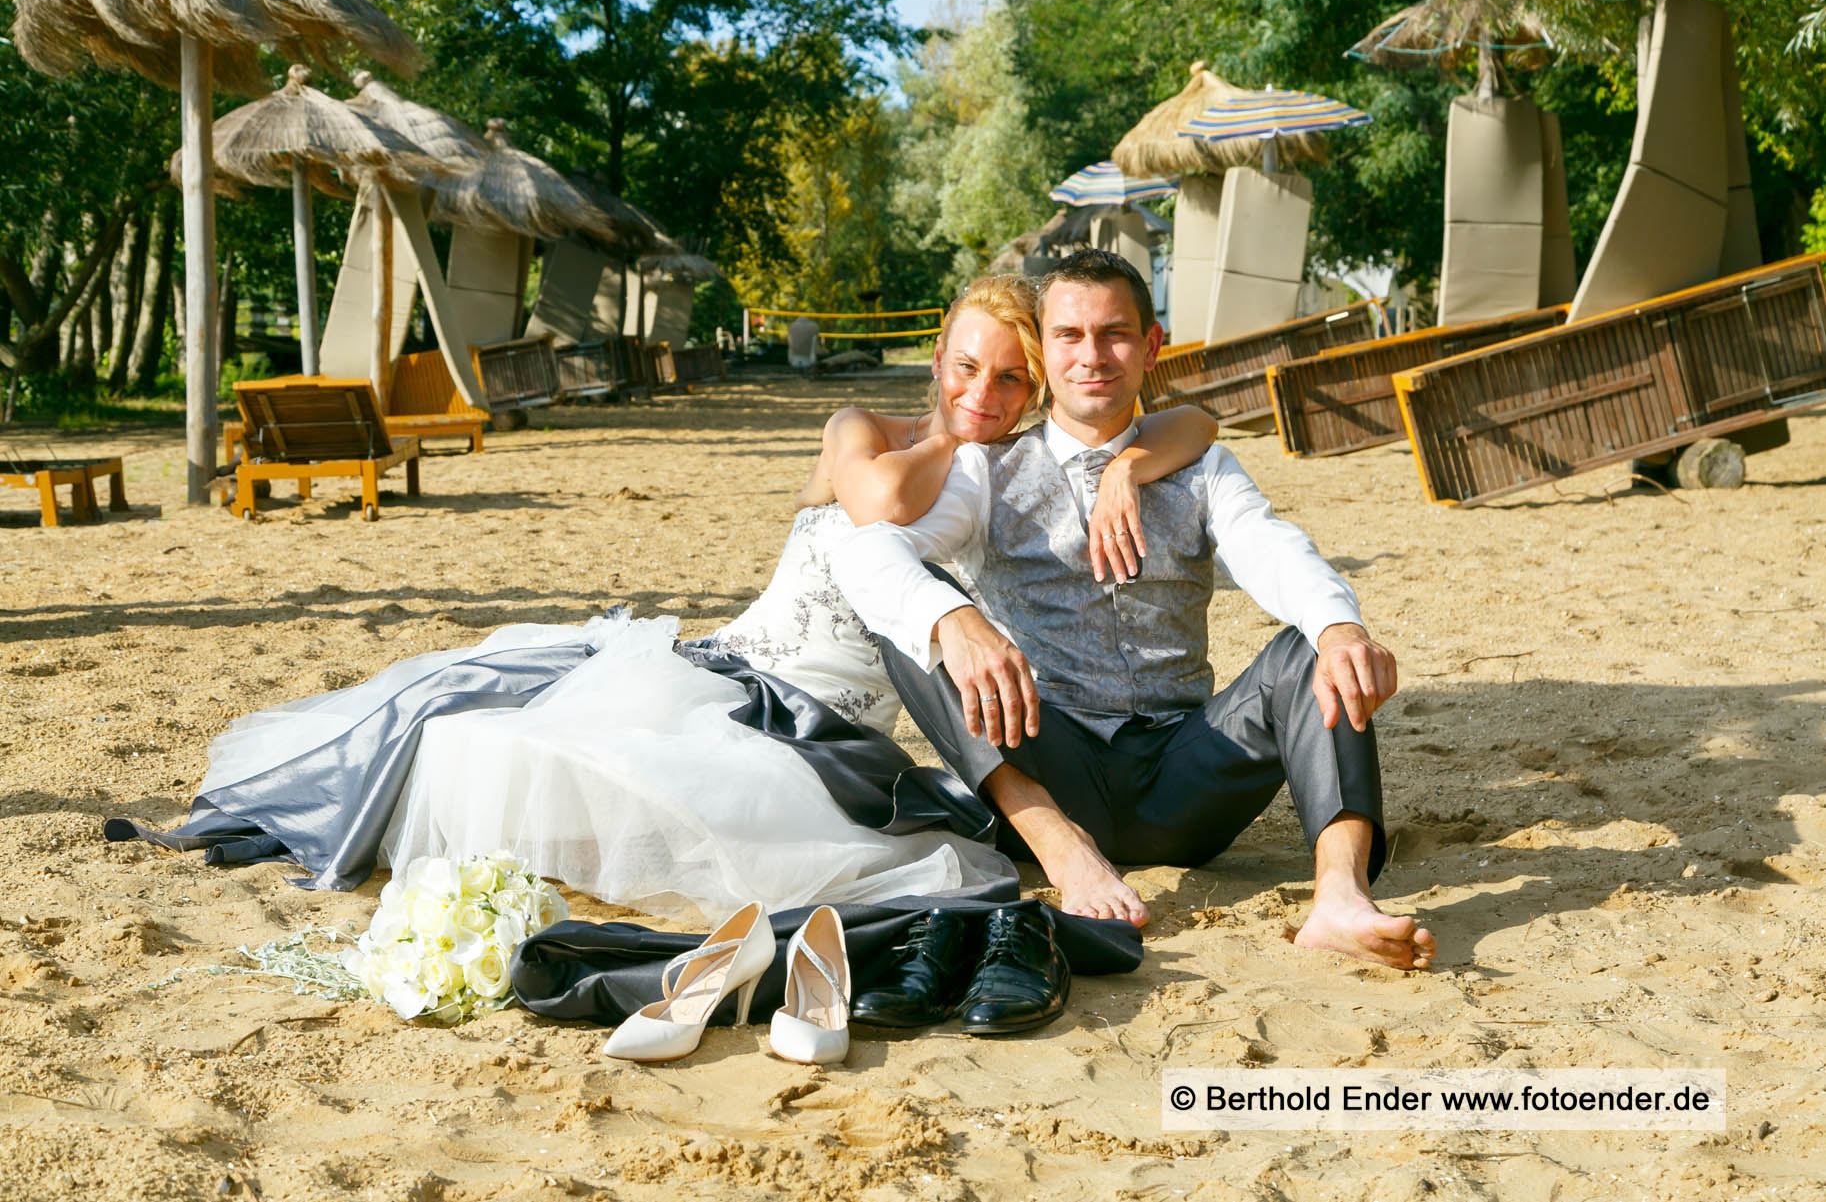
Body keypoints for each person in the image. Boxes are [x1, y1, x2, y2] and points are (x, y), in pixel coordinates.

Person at [140, 274, 1222, 927]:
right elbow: (877, 501)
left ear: (1033, 393)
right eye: (965, 367)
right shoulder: (859, 430)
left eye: (1008, 381)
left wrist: (1122, 464)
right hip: (723, 668)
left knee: (637, 806)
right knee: (471, 731)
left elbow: (1192, 425)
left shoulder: (999, 471)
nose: (981, 395)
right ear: (935, 357)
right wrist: (941, 429)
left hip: (826, 724)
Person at [831, 250, 1436, 971]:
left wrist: (1340, 625)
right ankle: (1061, 846)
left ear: (1151, 345)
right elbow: (864, 555)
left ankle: (1340, 893)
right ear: (1044, 351)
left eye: (1114, 333)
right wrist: (956, 622)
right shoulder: (982, 472)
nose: (1093, 355)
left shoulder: (1202, 465)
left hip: (1187, 770)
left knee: (1315, 644)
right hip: (1048, 761)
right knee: (917, 617)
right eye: (1069, 336)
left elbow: (1268, 545)